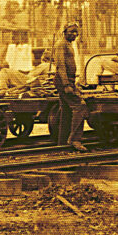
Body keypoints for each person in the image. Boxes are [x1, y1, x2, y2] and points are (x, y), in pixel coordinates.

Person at [53, 22, 89, 152]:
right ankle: (75, 139)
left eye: (76, 32)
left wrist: (73, 83)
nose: (74, 34)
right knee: (80, 106)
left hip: (69, 80)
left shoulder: (69, 44)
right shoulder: (61, 44)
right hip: (63, 81)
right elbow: (60, 66)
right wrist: (66, 84)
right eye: (72, 31)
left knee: (66, 112)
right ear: (64, 31)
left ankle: (62, 142)